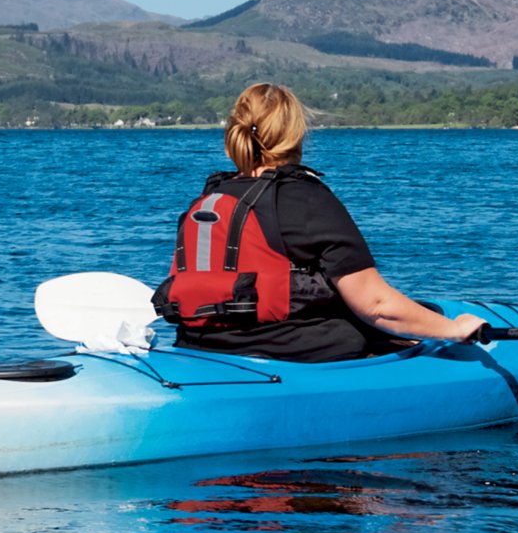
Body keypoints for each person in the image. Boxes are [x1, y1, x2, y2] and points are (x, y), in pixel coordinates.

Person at [152, 82, 487, 362]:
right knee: (397, 327)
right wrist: (453, 329)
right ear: (295, 134)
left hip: (199, 345)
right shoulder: (305, 198)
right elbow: (377, 305)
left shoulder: (209, 198)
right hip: (288, 352)